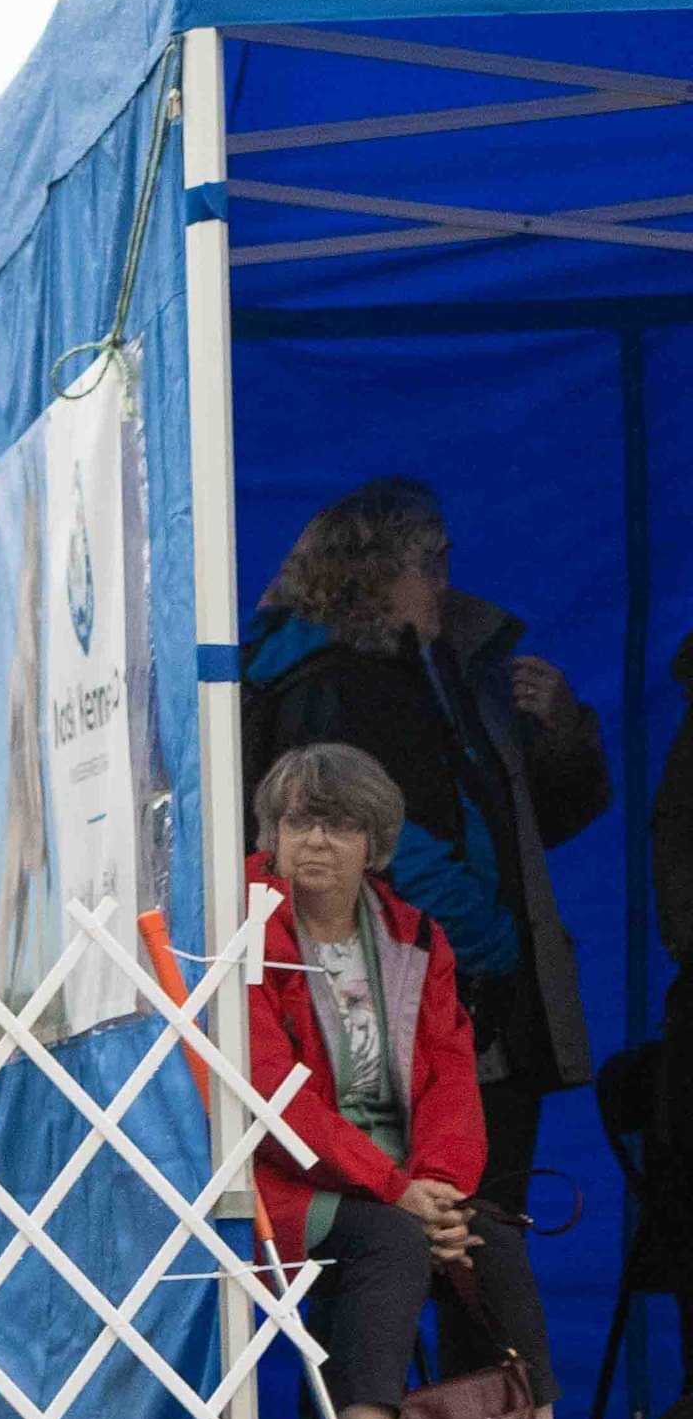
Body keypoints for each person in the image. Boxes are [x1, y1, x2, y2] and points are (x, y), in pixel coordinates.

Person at [246, 743, 610, 1419]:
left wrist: (439, 1186)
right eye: (301, 821)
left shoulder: (417, 937)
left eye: (341, 826)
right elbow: (269, 1095)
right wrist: (394, 1189)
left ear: (375, 844)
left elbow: (454, 1080)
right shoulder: (246, 931)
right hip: (285, 1176)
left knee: (496, 1241)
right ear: (272, 831)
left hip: (405, 1179)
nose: (317, 842)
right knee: (391, 1238)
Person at [241, 476, 608, 1222]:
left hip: (431, 1007)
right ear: (371, 575)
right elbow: (388, 859)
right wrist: (496, 944)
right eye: (430, 563)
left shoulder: (432, 674)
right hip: (422, 1013)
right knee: (461, 1247)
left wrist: (563, 738)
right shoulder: (343, 690)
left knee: (451, 1248)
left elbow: (523, 829)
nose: (446, 581)